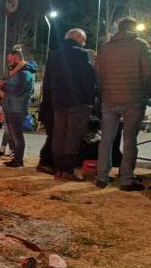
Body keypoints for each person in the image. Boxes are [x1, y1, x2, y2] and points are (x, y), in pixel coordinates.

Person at [95, 17, 151, 191]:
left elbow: (98, 73)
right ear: (133, 28)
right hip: (134, 100)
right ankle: (126, 179)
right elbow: (147, 73)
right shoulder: (141, 45)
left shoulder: (105, 47)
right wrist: (146, 93)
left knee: (106, 139)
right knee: (129, 139)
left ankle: (102, 177)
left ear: (118, 29)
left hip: (109, 100)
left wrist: (104, 92)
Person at [42, 28, 98, 181]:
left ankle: (57, 169)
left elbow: (47, 81)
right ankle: (66, 170)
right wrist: (90, 99)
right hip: (78, 102)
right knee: (73, 136)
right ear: (79, 39)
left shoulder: (53, 55)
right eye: (84, 40)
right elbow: (88, 79)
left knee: (59, 134)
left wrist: (48, 100)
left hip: (58, 101)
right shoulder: (82, 54)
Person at [0, 50, 38, 167]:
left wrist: (3, 86)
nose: (8, 63)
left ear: (16, 58)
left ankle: (18, 160)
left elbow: (16, 90)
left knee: (17, 136)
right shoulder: (16, 72)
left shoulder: (24, 74)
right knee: (13, 135)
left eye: (10, 60)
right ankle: (16, 158)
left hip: (17, 109)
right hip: (11, 107)